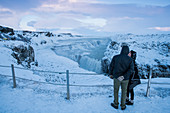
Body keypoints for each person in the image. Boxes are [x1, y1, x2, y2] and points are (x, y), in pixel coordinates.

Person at [109, 45, 134, 110]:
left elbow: (111, 66)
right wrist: (124, 76)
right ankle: (123, 106)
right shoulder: (130, 59)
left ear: (121, 50)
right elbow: (131, 70)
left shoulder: (115, 57)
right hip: (125, 79)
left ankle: (115, 104)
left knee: (116, 91)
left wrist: (111, 74)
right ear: (127, 51)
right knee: (124, 92)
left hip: (116, 77)